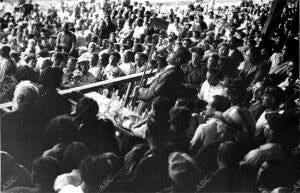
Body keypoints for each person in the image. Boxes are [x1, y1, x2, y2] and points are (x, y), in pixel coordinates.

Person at [1, 81, 48, 168]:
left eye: (14, 97)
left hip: (12, 168)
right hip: (36, 166)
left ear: (19, 98)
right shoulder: (44, 117)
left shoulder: (5, 119)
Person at [137, 47, 190, 111]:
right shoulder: (173, 69)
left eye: (172, 52)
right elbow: (159, 75)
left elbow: (154, 94)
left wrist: (140, 91)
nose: (169, 52)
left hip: (151, 107)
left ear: (178, 59)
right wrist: (159, 60)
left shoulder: (171, 74)